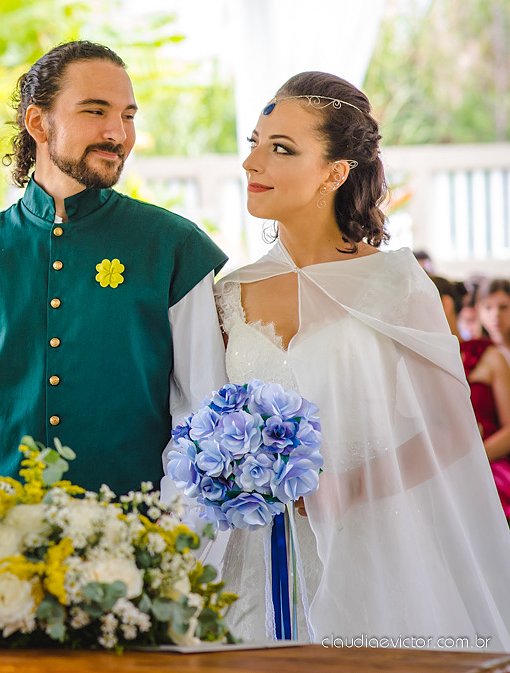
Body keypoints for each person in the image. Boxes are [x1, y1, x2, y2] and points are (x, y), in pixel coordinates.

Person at [215, 71, 510, 647]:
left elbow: (451, 428)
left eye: (281, 149)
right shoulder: (229, 292)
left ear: (335, 172)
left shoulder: (397, 282)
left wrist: (346, 488)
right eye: (254, 143)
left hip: (374, 538)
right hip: (259, 550)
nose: (252, 163)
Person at [0, 41, 228, 496]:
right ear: (38, 123)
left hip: (144, 529)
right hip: (6, 527)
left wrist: (167, 520)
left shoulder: (174, 249)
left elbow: (200, 408)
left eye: (128, 116)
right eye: (95, 111)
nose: (117, 133)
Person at [433, 277, 510, 520]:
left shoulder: (489, 356)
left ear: (445, 305)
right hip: (438, 471)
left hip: (487, 462)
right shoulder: (415, 364)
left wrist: (473, 457)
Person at [477, 278, 510, 364]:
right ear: (478, 309)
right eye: (488, 307)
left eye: (503, 307)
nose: (496, 314)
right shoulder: (473, 353)